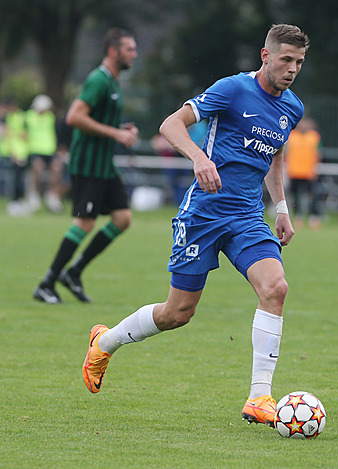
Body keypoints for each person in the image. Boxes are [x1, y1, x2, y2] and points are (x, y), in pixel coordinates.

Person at [81, 24, 309, 427]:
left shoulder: (292, 108)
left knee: (276, 288)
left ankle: (260, 397)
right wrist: (198, 158)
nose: (292, 69)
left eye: (299, 62)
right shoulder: (233, 89)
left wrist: (282, 208)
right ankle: (105, 342)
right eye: (286, 59)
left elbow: (274, 157)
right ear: (265, 56)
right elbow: (171, 125)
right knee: (177, 313)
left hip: (246, 217)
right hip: (203, 213)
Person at [33, 28, 138, 304]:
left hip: (105, 165)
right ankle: (47, 283)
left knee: (122, 219)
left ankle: (74, 272)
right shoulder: (99, 80)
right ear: (113, 51)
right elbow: (74, 116)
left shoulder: (113, 82)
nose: (134, 54)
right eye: (129, 49)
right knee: (85, 222)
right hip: (89, 165)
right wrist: (116, 134)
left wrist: (119, 128)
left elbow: (97, 119)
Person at [25, 94, 63, 213]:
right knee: (38, 166)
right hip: (35, 150)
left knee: (57, 168)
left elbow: (56, 133)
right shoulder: (29, 117)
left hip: (49, 150)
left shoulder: (51, 117)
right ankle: (34, 194)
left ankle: (51, 194)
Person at [285, 116, 322, 228]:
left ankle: (314, 217)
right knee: (295, 195)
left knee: (313, 195)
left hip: (308, 172)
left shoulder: (314, 136)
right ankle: (298, 216)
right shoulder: (292, 136)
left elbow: (318, 154)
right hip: (294, 171)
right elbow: (286, 154)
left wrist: (315, 169)